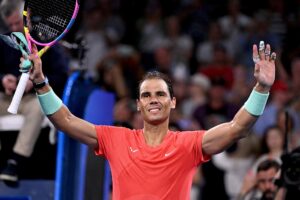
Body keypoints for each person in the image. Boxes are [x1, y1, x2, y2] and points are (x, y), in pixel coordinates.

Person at [23, 40, 276, 199]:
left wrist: (262, 89)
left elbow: (237, 129)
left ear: (173, 102)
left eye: (160, 94)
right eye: (146, 95)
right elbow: (65, 120)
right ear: (138, 104)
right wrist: (40, 82)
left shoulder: (188, 144)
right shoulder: (115, 138)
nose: (153, 99)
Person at [0, 0, 69, 183]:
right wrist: (3, 80)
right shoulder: (4, 41)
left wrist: (38, 82)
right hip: (7, 97)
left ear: (28, 16)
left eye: (18, 23)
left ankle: (15, 162)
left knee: (39, 107)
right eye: (11, 25)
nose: (15, 28)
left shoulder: (46, 40)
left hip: (32, 99)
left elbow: (61, 75)